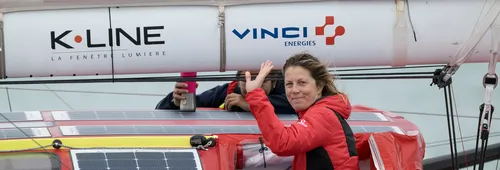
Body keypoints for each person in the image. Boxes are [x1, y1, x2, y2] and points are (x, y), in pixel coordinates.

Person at [244, 54, 359, 170]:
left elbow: (283, 143)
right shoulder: (321, 112)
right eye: (289, 84)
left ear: (319, 87)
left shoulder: (323, 115)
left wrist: (255, 96)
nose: (294, 90)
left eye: (302, 83)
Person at [155, 70, 295, 114]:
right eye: (246, 79)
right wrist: (176, 101)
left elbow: (297, 107)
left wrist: (249, 103)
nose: (253, 85)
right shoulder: (230, 91)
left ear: (274, 82)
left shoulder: (289, 89)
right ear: (238, 81)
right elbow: (161, 110)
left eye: (261, 80)